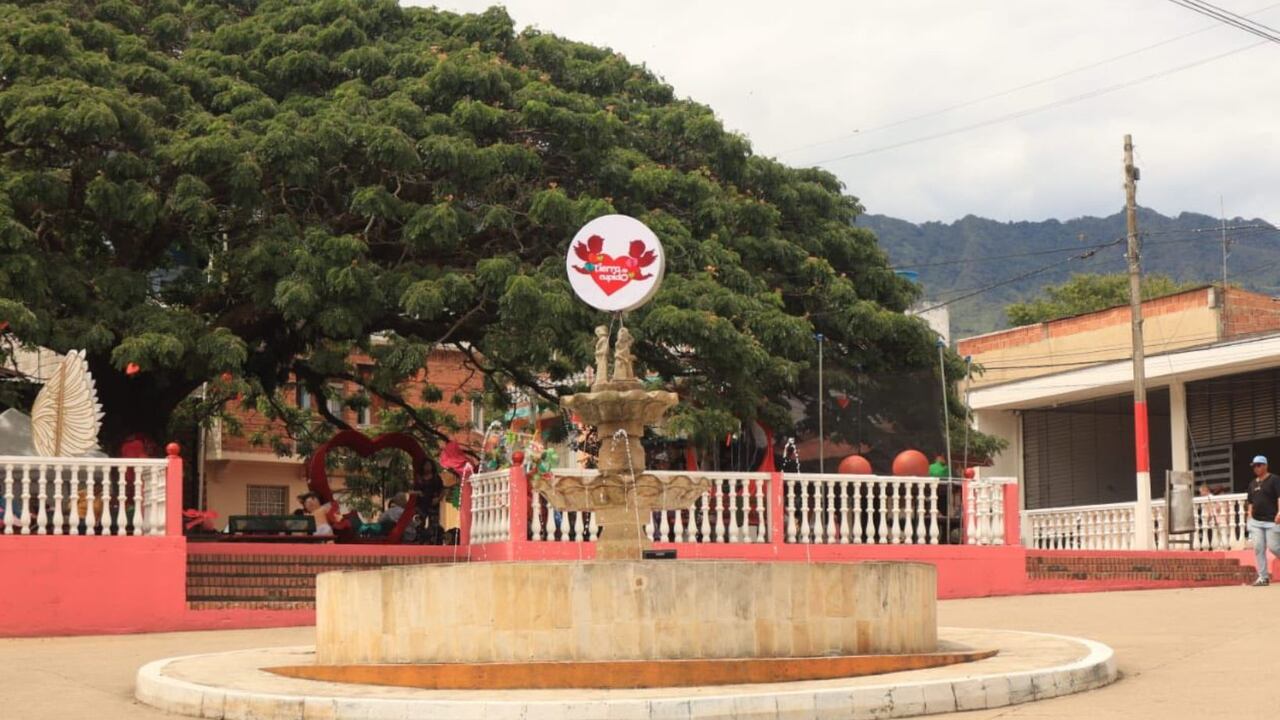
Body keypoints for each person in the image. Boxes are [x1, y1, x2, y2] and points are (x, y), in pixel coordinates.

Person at [1245, 455, 1280, 586]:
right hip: (1256, 522)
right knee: (1258, 548)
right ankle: (1263, 577)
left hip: (1272, 520)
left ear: (1265, 465)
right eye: (1254, 466)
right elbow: (1250, 502)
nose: (1256, 468)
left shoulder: (1275, 480)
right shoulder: (1252, 484)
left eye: (1259, 465)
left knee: (1274, 547)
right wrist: (1249, 515)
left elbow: (1279, 497)